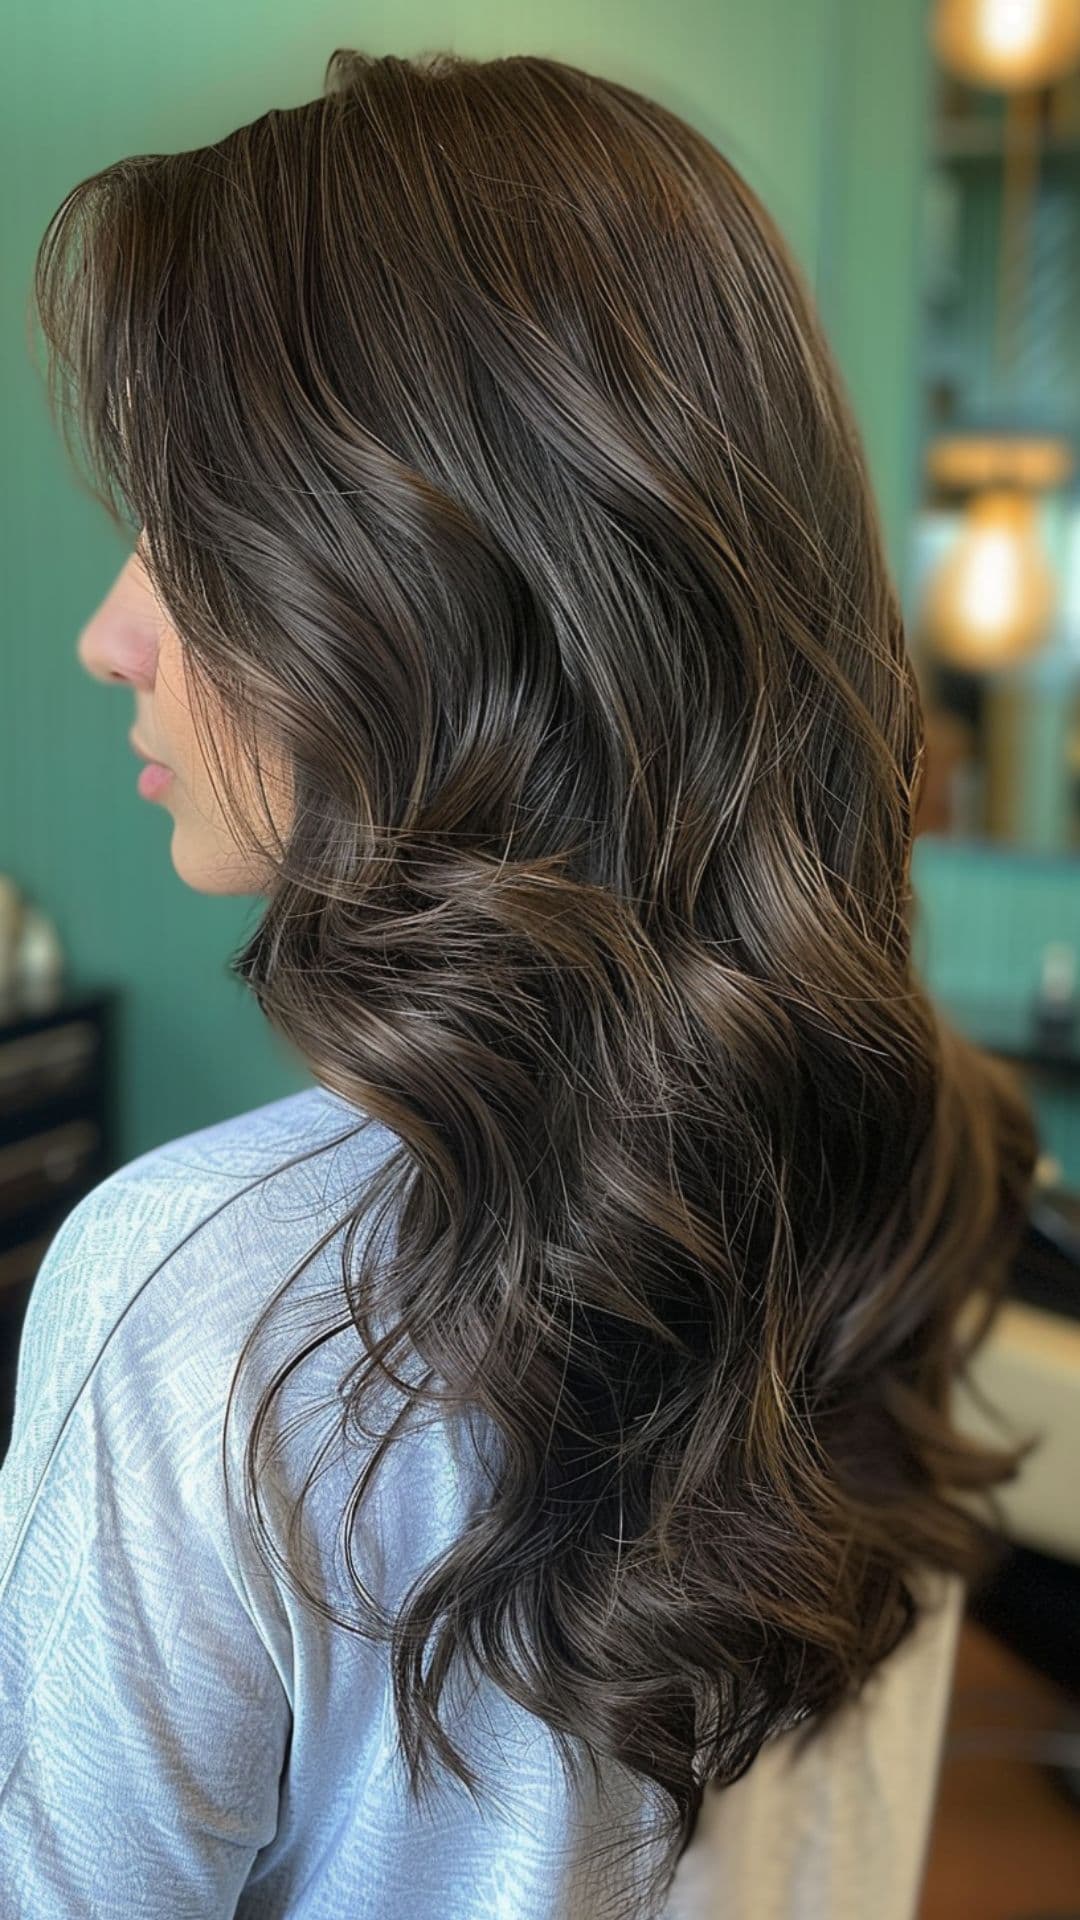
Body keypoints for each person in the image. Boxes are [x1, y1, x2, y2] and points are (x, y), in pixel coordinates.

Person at [1, 47, 1039, 1920]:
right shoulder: (914, 1160)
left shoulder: (191, 1314)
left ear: (433, 590)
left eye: (189, 531)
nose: (110, 631)